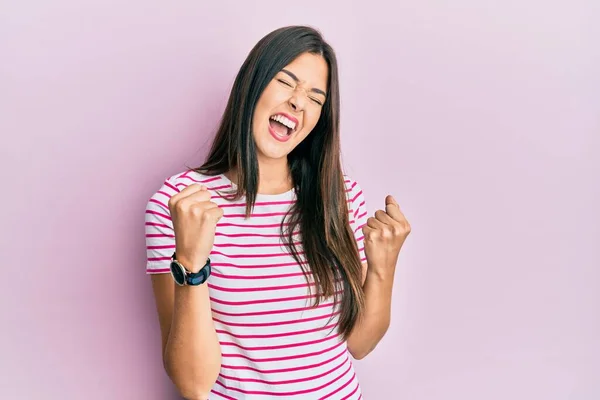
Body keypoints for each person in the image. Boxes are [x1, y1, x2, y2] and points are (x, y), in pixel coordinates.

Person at [144, 25, 411, 400]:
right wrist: (191, 264)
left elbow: (360, 344)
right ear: (252, 85)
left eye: (315, 99)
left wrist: (384, 267)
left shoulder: (342, 197)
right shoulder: (180, 204)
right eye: (286, 81)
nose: (298, 103)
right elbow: (193, 384)